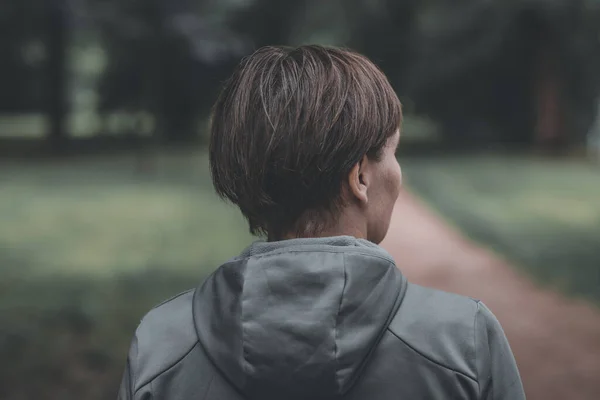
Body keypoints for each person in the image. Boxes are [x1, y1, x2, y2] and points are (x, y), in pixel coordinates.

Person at [117, 45, 525, 400]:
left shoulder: (161, 345)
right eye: (393, 152)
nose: (399, 174)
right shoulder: (463, 342)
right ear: (360, 176)